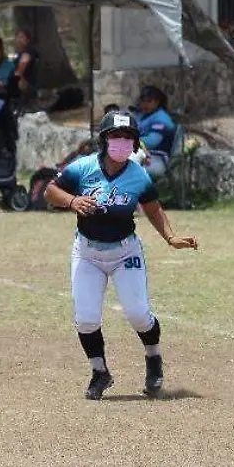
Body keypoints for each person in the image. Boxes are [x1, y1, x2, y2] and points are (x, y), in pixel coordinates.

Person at [42, 110, 199, 400]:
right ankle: (99, 372)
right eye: (115, 136)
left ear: (135, 143)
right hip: (87, 253)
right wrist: (73, 200)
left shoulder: (138, 175)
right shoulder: (84, 167)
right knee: (86, 319)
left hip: (125, 252)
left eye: (128, 138)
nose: (122, 142)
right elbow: (51, 191)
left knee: (139, 314)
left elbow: (152, 207)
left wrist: (171, 237)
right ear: (104, 140)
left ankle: (153, 358)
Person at [131, 85, 177, 178]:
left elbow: (152, 142)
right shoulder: (142, 115)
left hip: (157, 158)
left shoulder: (162, 118)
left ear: (157, 102)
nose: (145, 104)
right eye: (143, 101)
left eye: (149, 101)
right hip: (143, 154)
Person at [11, 28, 39, 110]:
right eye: (18, 37)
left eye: (22, 37)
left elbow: (22, 66)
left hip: (26, 85)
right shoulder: (18, 54)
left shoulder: (29, 52)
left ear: (28, 40)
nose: (19, 40)